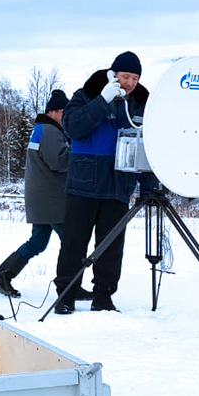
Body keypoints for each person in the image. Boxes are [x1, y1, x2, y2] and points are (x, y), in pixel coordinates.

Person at [53, 51, 159, 314]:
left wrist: (149, 186)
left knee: (111, 246)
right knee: (74, 242)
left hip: (118, 186)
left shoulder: (142, 103)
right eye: (126, 76)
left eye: (135, 78)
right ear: (113, 74)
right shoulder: (86, 95)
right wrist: (103, 101)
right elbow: (73, 126)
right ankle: (66, 294)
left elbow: (151, 144)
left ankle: (104, 296)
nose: (131, 83)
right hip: (83, 185)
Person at [0, 90, 91, 300]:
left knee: (37, 242)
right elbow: (59, 162)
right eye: (65, 112)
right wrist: (79, 153)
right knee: (73, 242)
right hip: (53, 200)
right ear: (55, 112)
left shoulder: (41, 130)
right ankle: (71, 286)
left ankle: (2, 276)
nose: (67, 117)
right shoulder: (50, 131)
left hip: (42, 199)